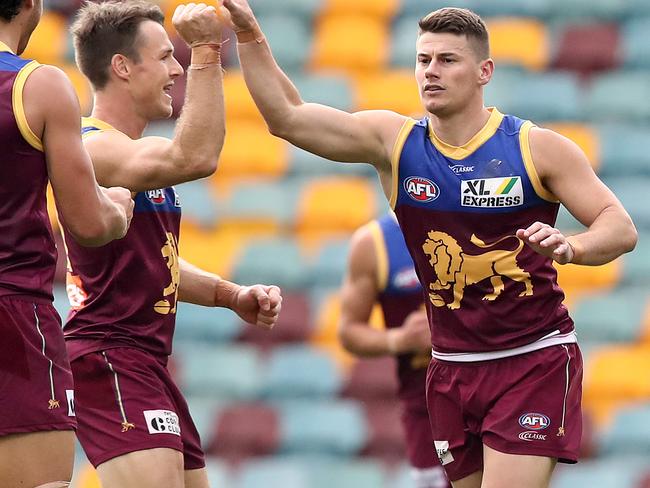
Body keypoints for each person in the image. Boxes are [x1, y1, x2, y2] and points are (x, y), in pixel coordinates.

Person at [220, 2, 638, 487]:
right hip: (449, 368)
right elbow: (287, 118)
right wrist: (249, 32)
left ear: (484, 72)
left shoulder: (535, 147)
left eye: (447, 60)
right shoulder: (394, 144)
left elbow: (619, 226)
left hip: (532, 360)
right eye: (423, 60)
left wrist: (571, 246)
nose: (430, 72)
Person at [63, 2, 282, 488]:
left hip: (144, 360)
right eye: (164, 57)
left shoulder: (133, 155)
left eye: (177, 56)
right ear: (122, 67)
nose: (176, 68)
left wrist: (229, 295)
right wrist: (207, 48)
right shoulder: (94, 147)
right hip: (109, 354)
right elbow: (198, 155)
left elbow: (154, 263)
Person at [0, 0, 134, 486]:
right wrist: (118, 207)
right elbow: (89, 223)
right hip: (13, 318)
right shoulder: (38, 85)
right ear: (30, 5)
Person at [339, 213, 451, 488]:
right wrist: (401, 339)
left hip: (488, 393)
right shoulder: (374, 242)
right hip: (426, 408)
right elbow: (349, 331)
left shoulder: (482, 217)